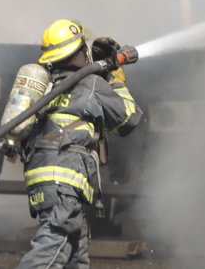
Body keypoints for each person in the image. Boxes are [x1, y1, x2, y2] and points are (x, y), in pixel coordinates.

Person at [15, 19, 143, 269]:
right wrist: (116, 80)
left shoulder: (47, 87)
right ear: (79, 52)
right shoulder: (90, 85)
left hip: (49, 181)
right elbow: (129, 119)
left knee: (76, 254)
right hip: (66, 182)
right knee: (54, 247)